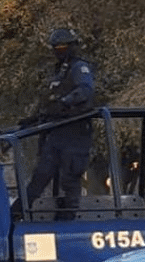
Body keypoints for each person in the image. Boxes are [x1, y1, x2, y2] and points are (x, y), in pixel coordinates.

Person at [21, 28, 96, 221]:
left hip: (74, 132)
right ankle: (15, 215)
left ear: (72, 46)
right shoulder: (58, 71)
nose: (59, 51)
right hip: (55, 132)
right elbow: (50, 103)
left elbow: (85, 91)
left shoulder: (79, 68)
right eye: (56, 47)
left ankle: (68, 221)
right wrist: (34, 118)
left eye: (63, 46)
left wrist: (65, 102)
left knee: (70, 179)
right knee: (40, 176)